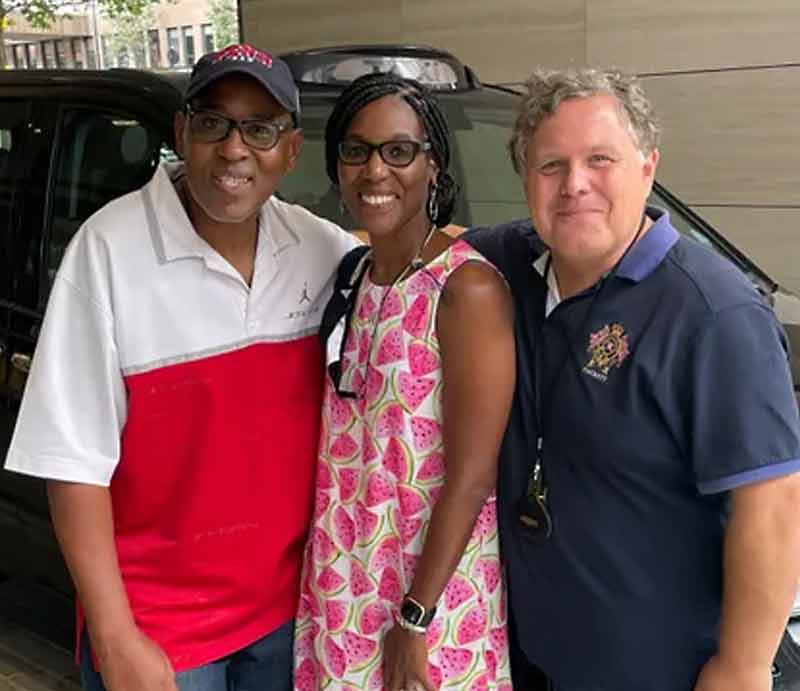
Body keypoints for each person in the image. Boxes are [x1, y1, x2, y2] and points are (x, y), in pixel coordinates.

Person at [4, 43, 357, 691]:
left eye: (260, 128)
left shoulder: (319, 248)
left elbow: (417, 271)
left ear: (290, 150)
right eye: (214, 121)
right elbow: (74, 465)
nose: (233, 149)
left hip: (290, 614)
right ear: (181, 132)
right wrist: (114, 636)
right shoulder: (108, 251)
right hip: (159, 630)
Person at [465, 67, 800, 691]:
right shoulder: (505, 268)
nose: (575, 186)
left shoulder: (713, 314)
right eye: (551, 166)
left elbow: (773, 507)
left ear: (648, 168)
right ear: (524, 179)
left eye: (600, 159)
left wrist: (742, 669)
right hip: (539, 659)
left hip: (669, 670)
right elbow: (409, 246)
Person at [293, 73, 516, 691]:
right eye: (356, 150)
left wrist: (416, 618)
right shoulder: (355, 276)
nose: (375, 171)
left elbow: (473, 477)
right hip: (343, 585)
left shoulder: (465, 289)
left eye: (399, 151)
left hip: (428, 602)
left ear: (433, 167)